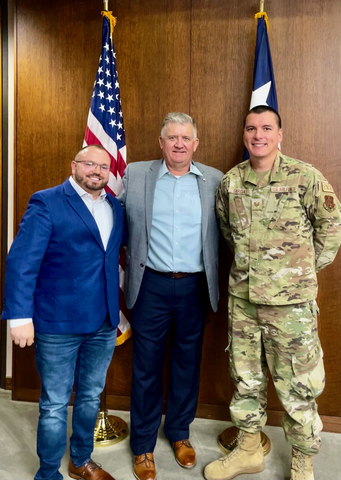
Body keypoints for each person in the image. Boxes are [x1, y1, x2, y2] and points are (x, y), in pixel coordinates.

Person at [204, 105, 341, 480]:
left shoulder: (304, 177)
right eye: (251, 129)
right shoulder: (231, 182)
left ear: (280, 134)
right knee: (245, 378)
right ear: (245, 135)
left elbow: (330, 228)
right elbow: (228, 232)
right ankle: (248, 449)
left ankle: (303, 459)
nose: (258, 135)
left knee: (298, 384)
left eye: (266, 128)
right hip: (244, 302)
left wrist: (300, 272)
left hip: (291, 306)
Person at [1, 145, 126, 480]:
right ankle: (47, 473)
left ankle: (81, 460)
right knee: (55, 404)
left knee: (89, 396)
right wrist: (19, 317)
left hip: (103, 322)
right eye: (89, 164)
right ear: (74, 166)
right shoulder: (47, 202)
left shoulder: (114, 206)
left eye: (103, 166)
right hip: (57, 325)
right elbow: (22, 262)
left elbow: (108, 259)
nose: (97, 171)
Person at [118, 112, 223, 480]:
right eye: (172, 137)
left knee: (187, 363)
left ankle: (179, 432)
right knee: (146, 366)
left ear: (196, 144)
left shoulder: (214, 180)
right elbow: (110, 218)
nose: (179, 143)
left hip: (195, 286)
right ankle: (143, 445)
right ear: (161, 142)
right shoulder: (135, 175)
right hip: (151, 286)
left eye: (185, 138)